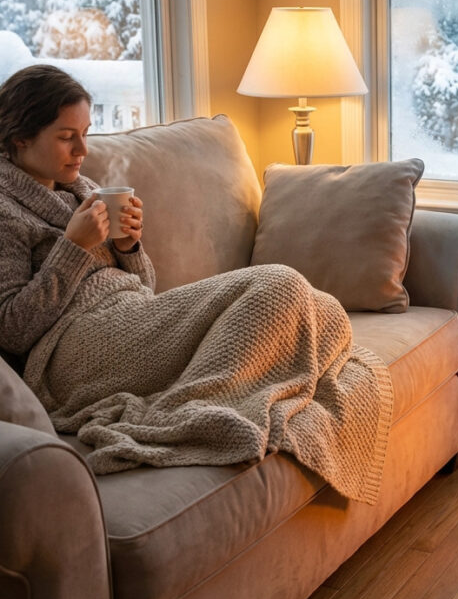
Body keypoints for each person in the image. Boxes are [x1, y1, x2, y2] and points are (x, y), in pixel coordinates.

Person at [0, 65, 391, 504]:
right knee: (280, 285)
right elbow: (12, 329)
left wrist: (129, 246)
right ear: (20, 138)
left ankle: (214, 389)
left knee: (326, 311)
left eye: (86, 133)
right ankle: (184, 413)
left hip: (132, 318)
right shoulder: (5, 211)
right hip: (68, 353)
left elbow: (146, 287)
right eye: (66, 136)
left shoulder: (82, 189)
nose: (82, 150)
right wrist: (73, 248)